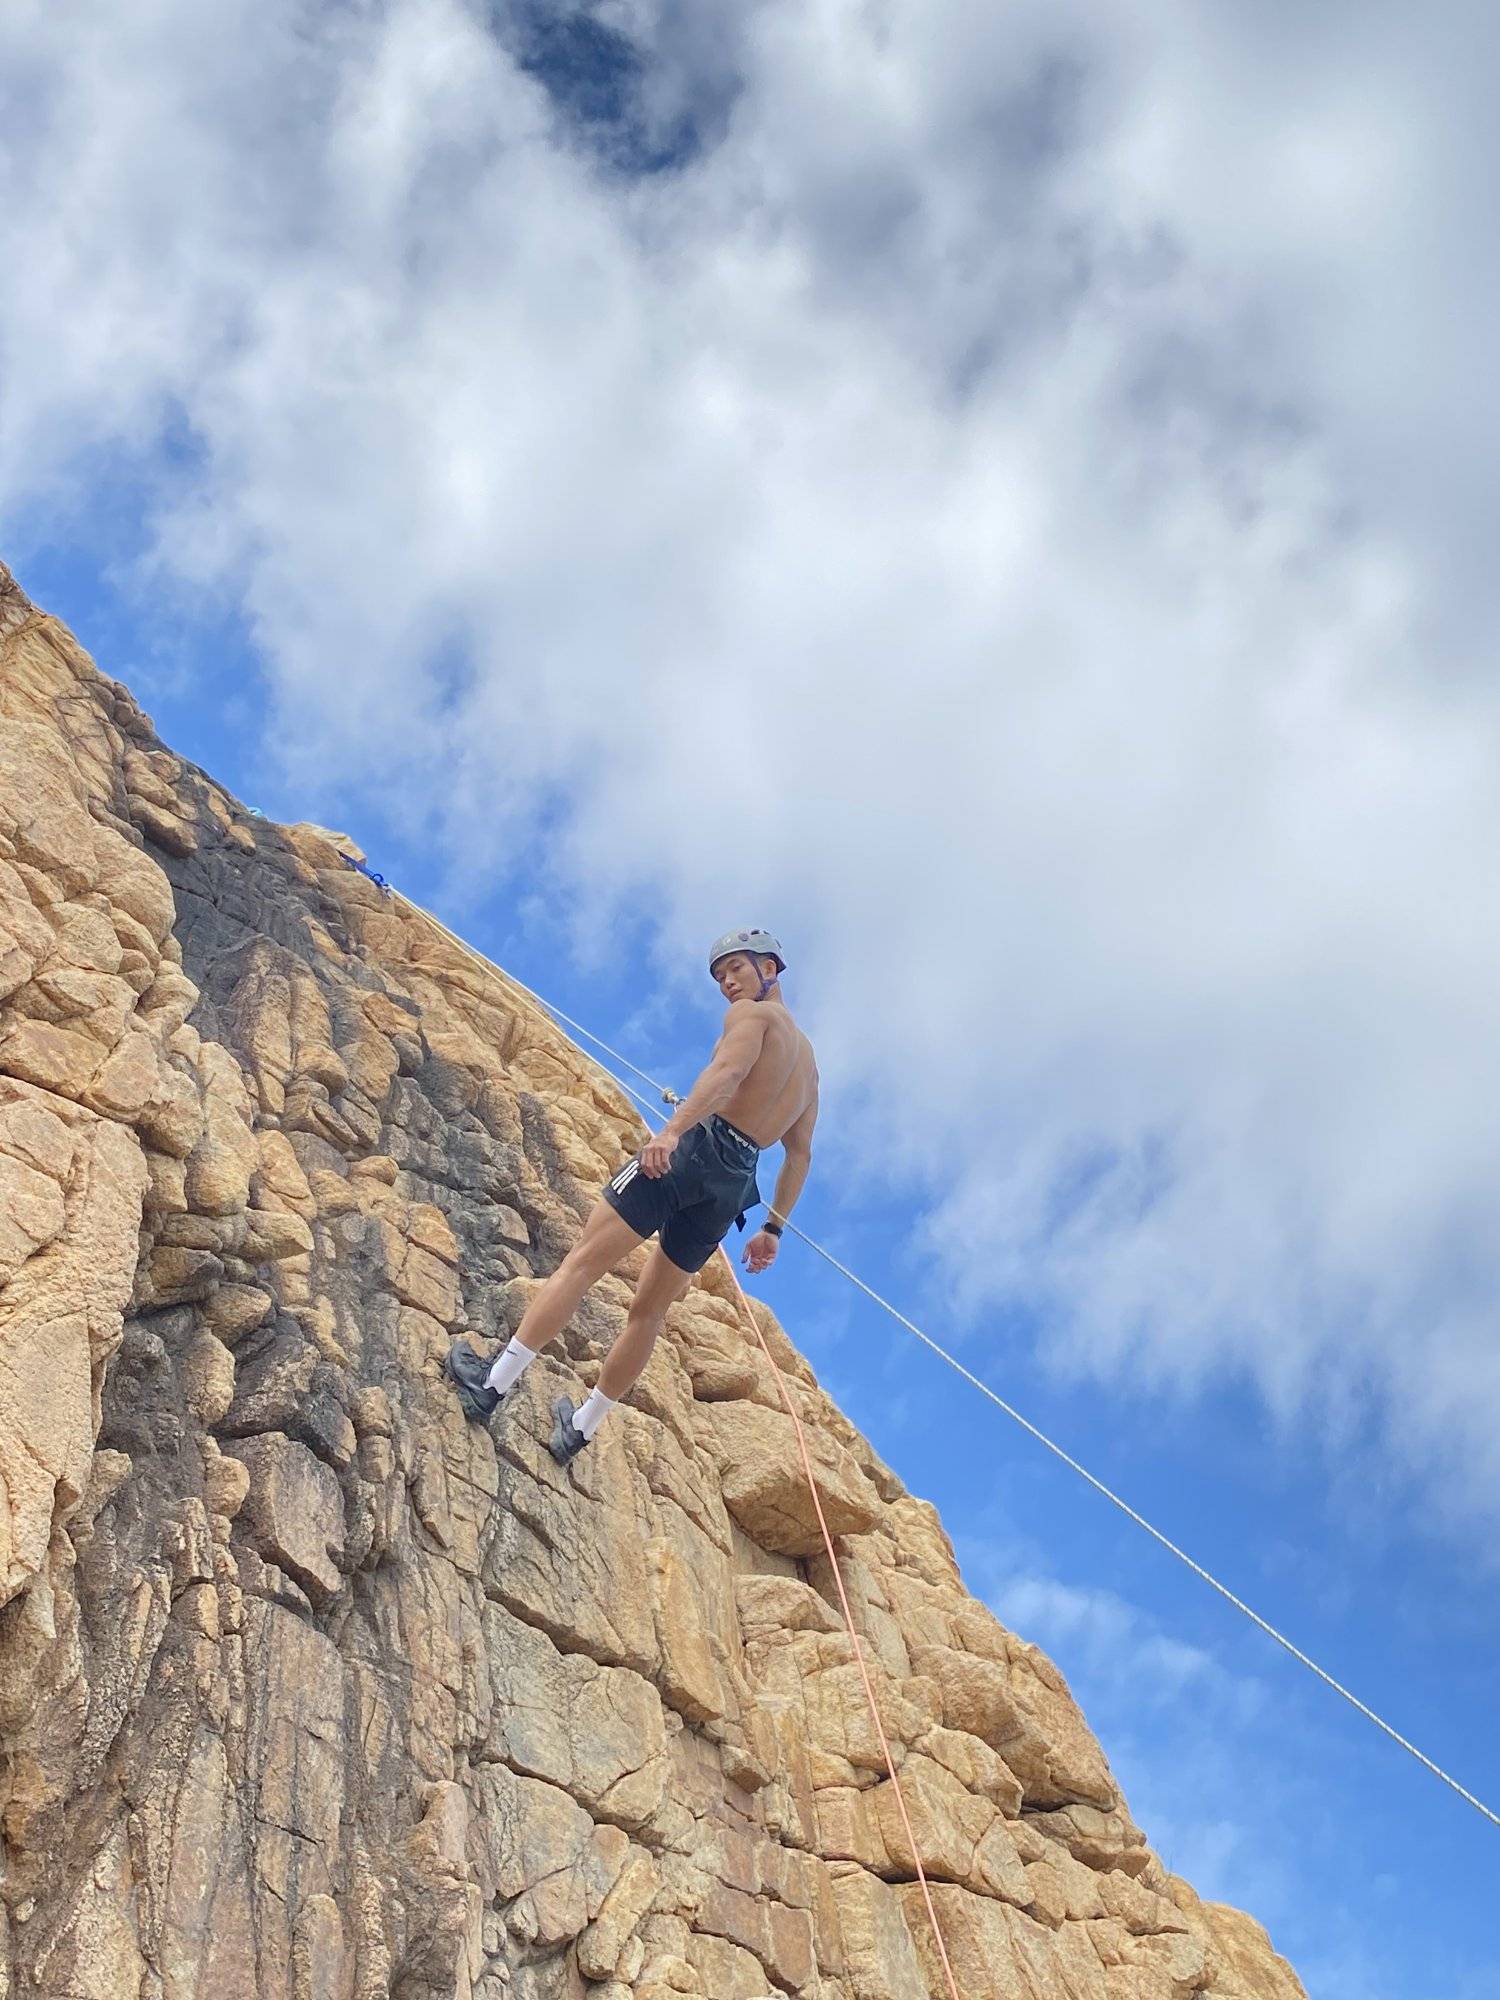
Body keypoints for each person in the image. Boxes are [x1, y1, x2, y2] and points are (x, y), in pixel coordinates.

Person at [446, 928, 819, 1466]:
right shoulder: (808, 1067)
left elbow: (728, 1073)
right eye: (719, 976)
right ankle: (581, 1428)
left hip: (697, 1149)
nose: (727, 983)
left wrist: (671, 1132)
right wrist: (773, 1228)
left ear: (771, 968)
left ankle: (494, 1383)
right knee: (649, 1312)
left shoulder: (754, 1019)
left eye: (736, 967)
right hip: (735, 1181)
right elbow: (799, 1154)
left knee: (582, 1264)